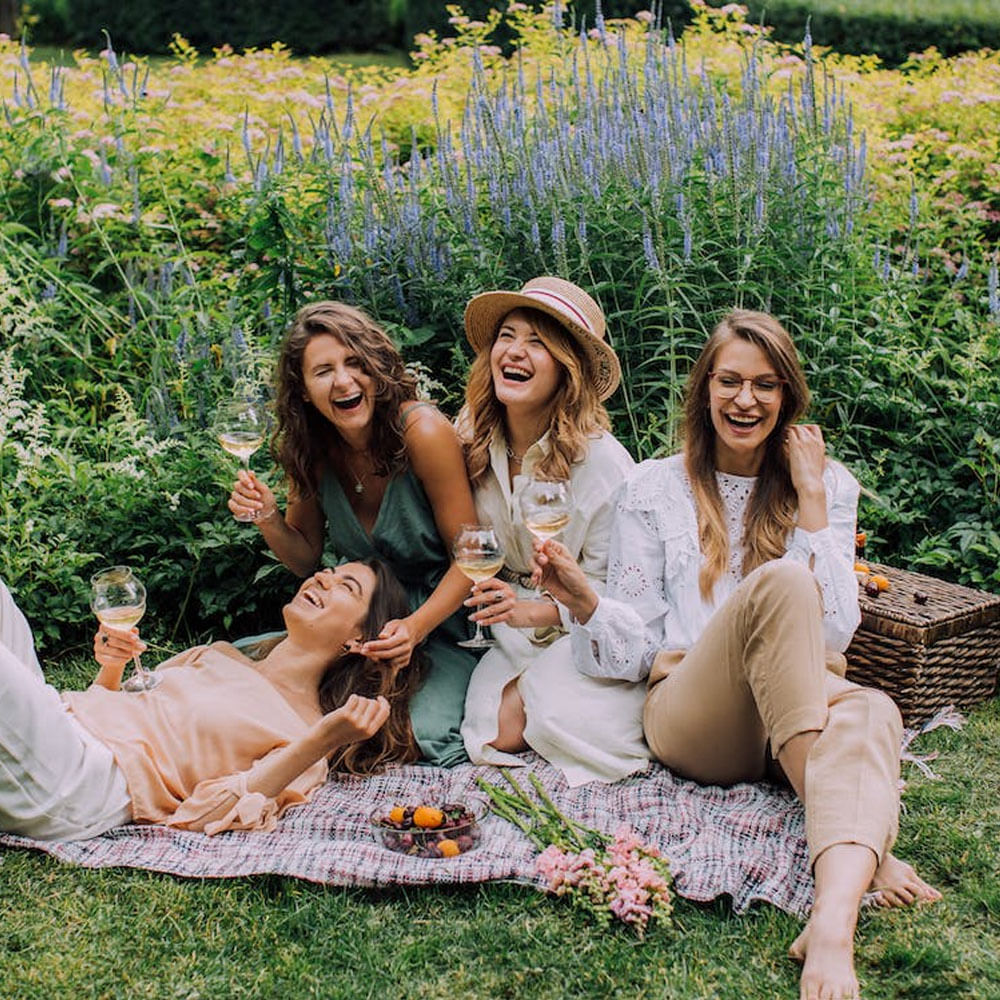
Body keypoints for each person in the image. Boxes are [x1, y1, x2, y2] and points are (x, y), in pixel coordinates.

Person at [532, 310, 941, 999]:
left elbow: (836, 634)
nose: (745, 400)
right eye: (729, 381)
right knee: (783, 582)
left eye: (766, 385)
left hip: (796, 708)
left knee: (873, 707)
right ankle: (872, 846)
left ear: (787, 399)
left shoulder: (827, 487)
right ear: (704, 390)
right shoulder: (654, 488)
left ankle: (833, 921)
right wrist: (585, 601)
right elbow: (629, 650)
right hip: (697, 715)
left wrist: (811, 497)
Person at [0, 560, 421, 841]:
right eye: (326, 571)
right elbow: (117, 709)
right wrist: (111, 669)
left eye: (345, 586)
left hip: (81, 783)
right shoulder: (216, 654)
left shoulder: (305, 733)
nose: (322, 579)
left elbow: (207, 816)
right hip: (59, 723)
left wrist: (323, 740)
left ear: (360, 638)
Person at [228, 301, 479, 766]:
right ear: (303, 391)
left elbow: (472, 557)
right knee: (242, 673)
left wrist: (414, 628)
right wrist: (267, 517)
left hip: (438, 624)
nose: (344, 381)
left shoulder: (422, 432)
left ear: (377, 370)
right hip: (354, 623)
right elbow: (305, 558)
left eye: (355, 363)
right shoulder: (309, 449)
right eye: (323, 371)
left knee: (415, 732)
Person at [458, 276, 649, 786]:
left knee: (551, 718)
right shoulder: (475, 433)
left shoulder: (604, 463)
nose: (515, 352)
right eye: (507, 335)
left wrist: (534, 610)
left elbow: (622, 597)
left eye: (539, 343)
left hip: (579, 631)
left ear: (568, 370)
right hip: (507, 631)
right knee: (491, 732)